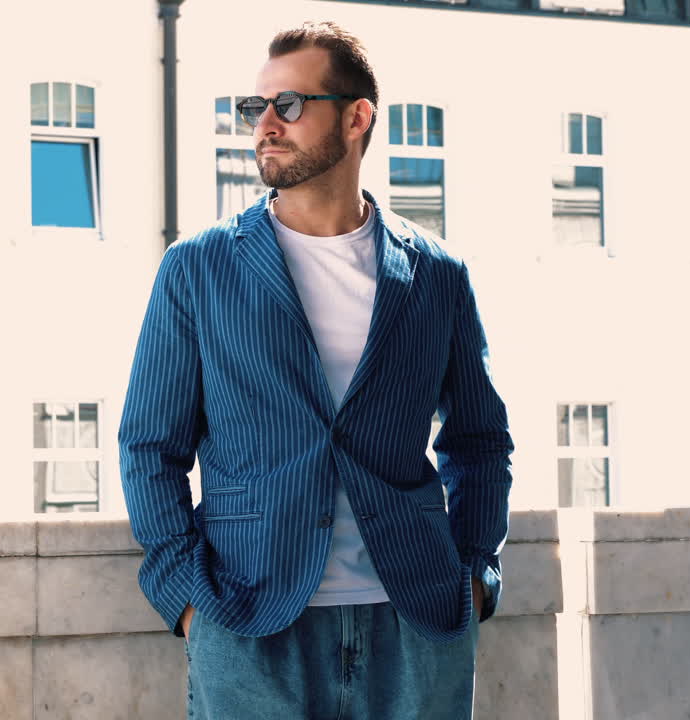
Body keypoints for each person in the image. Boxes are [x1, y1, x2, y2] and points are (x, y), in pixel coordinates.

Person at [118, 20, 514, 720]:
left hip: (414, 621)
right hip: (249, 622)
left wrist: (476, 569)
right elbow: (151, 446)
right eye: (255, 108)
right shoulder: (198, 269)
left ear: (356, 118)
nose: (264, 125)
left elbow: (479, 440)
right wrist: (185, 597)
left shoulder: (437, 274)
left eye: (289, 106)